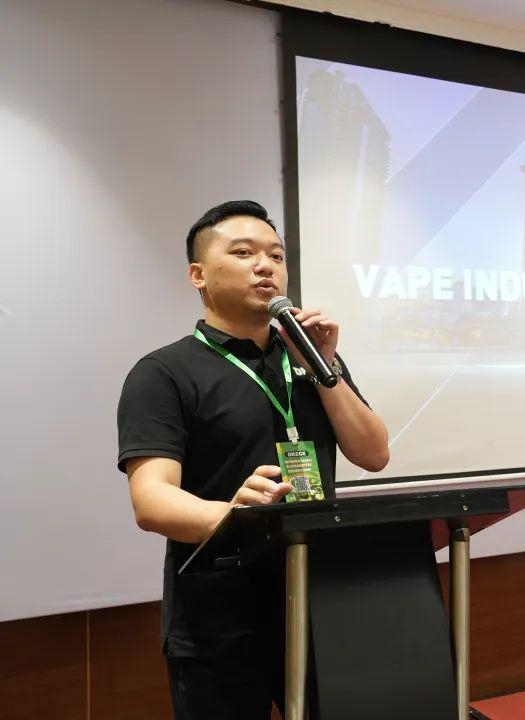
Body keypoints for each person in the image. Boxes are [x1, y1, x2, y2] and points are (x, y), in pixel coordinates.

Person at [116, 200, 389, 720]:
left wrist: (325, 365)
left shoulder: (312, 360)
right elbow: (151, 500)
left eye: (276, 256)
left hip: (320, 599)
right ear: (198, 275)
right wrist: (237, 517)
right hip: (219, 616)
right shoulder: (164, 373)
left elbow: (373, 454)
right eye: (243, 253)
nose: (266, 266)